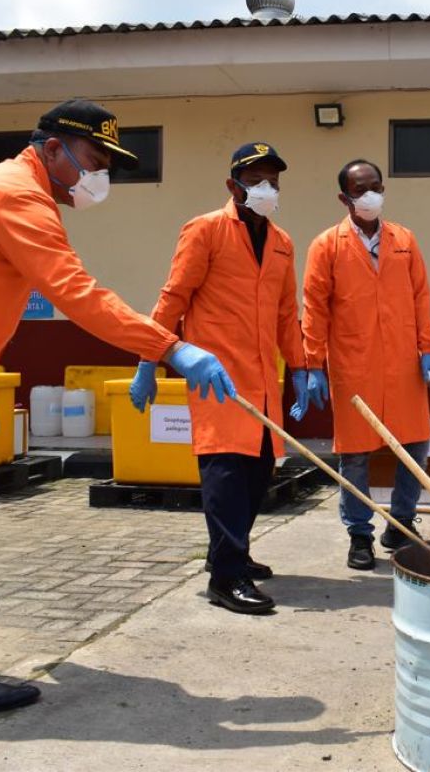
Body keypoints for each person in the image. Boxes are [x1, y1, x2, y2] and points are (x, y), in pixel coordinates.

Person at [0, 99, 236, 715]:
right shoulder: (19, 197)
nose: (98, 175)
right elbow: (76, 294)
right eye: (91, 159)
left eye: (107, 164)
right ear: (51, 149)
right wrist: (170, 347)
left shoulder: (3, 189)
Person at [130, 142, 306, 616]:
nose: (266, 189)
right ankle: (225, 579)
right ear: (233, 185)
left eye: (273, 180)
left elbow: (288, 314)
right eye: (256, 180)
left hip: (265, 380)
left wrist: (304, 367)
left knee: (258, 474)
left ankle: (234, 553)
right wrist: (149, 361)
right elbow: (173, 298)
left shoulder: (282, 243)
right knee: (226, 477)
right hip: (217, 377)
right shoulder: (205, 230)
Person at [301, 159, 430, 570]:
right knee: (356, 455)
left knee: (414, 446)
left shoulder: (404, 240)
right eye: (360, 190)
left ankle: (400, 522)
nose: (370, 195)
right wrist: (312, 364)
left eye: (376, 186)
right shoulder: (327, 245)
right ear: (344, 197)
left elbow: (421, 297)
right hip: (354, 365)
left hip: (403, 364)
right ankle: (359, 535)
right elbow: (314, 309)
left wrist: (427, 348)